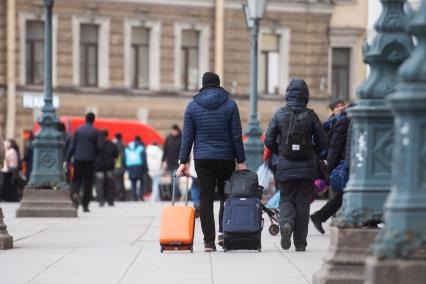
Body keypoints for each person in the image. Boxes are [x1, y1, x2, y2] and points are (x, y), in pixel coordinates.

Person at [176, 72, 247, 252]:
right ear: (218, 84)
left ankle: (209, 242)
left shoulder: (192, 106)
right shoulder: (230, 105)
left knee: (206, 198)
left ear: (203, 85)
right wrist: (241, 161)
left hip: (203, 159)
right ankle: (224, 233)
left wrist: (183, 161)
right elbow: (236, 136)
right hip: (225, 157)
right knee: (227, 196)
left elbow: (187, 138)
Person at [264, 78, 327, 252]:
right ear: (305, 96)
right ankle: (300, 243)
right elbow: (323, 142)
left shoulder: (279, 114)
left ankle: (286, 224)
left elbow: (268, 141)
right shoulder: (311, 114)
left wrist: (281, 152)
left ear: (287, 95)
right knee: (303, 203)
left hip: (285, 166)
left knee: (286, 199)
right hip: (307, 168)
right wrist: (313, 152)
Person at [310, 104, 352, 234]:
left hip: (350, 163)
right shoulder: (344, 121)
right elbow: (335, 146)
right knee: (344, 194)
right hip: (345, 164)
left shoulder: (347, 120)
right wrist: (330, 168)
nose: (340, 107)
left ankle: (320, 216)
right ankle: (320, 216)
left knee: (344, 194)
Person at [66, 112, 101, 212]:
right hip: (90, 160)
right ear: (93, 120)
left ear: (85, 119)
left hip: (78, 159)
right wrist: (94, 154)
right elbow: (99, 147)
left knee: (76, 180)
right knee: (88, 183)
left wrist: (67, 160)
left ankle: (75, 195)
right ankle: (85, 205)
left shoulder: (78, 130)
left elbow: (72, 147)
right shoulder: (95, 132)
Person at [95, 129, 119, 207]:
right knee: (110, 183)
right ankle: (110, 200)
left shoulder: (97, 144)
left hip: (99, 167)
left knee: (99, 184)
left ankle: (101, 200)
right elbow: (116, 155)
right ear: (107, 135)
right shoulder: (111, 144)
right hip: (109, 167)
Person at [124, 136, 148, 201]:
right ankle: (141, 196)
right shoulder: (141, 148)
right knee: (142, 182)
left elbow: (125, 158)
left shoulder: (127, 148)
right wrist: (145, 168)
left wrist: (126, 168)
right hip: (139, 166)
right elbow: (144, 159)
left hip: (130, 166)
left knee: (133, 182)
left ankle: (134, 197)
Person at [162, 124, 182, 200]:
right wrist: (164, 161)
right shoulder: (168, 138)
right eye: (172, 131)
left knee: (175, 180)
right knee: (172, 180)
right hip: (170, 163)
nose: (173, 132)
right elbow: (165, 150)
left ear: (177, 131)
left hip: (178, 163)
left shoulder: (181, 138)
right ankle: (177, 194)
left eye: (174, 131)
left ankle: (175, 196)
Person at [113, 133, 126, 201]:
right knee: (121, 181)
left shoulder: (114, 145)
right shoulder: (123, 145)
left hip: (116, 166)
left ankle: (119, 196)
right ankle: (123, 195)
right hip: (122, 166)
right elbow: (124, 156)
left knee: (117, 182)